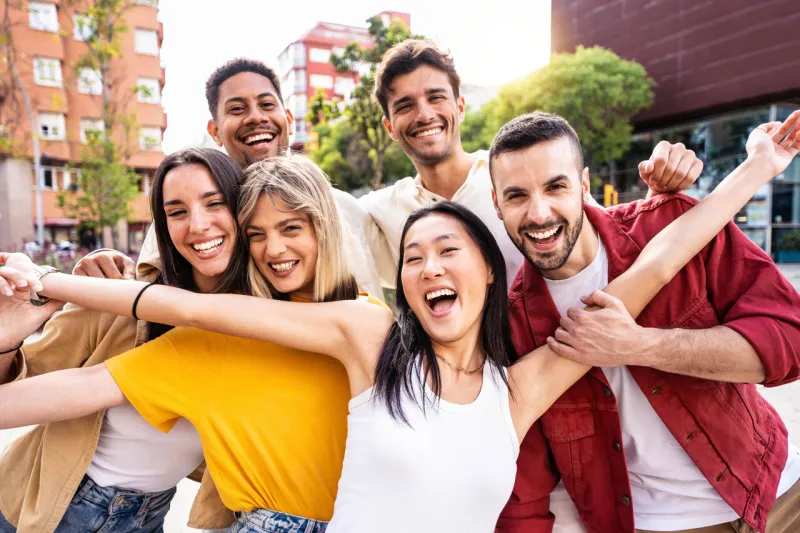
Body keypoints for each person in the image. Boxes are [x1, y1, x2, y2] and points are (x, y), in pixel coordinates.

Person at [0, 113, 795, 533]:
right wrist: (47, 281)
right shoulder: (372, 340)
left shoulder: (521, 388)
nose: (429, 267)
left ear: (491, 269)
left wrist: (758, 166)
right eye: (414, 256)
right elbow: (195, 306)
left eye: (449, 250)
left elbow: (663, 257)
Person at [0, 156, 386, 533]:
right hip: (46, 503)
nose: (273, 249)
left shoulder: (354, 320)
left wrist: (45, 278)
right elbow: (77, 383)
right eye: (257, 234)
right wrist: (30, 294)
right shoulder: (199, 334)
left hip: (151, 513)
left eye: (291, 228)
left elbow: (191, 310)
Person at [493, 112, 800, 533]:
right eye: (516, 196)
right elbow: (525, 484)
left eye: (556, 186)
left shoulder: (668, 221)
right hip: (656, 525)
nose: (539, 213)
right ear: (496, 204)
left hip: (778, 493)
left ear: (584, 184)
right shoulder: (511, 328)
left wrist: (642, 346)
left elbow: (790, 340)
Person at [0, 148, 249, 533]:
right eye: (177, 212)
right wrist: (6, 339)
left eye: (215, 203)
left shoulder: (267, 318)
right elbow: (20, 382)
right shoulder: (116, 297)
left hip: (150, 514)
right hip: (50, 505)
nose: (198, 225)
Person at [358, 39, 704, 289]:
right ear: (389, 126)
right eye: (405, 105)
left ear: (460, 107)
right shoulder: (381, 212)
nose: (424, 114)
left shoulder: (519, 174)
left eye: (436, 97)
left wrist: (657, 197)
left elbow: (611, 243)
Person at [74, 58, 384, 300]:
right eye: (237, 109)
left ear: (288, 120)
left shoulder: (344, 207)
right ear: (215, 131)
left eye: (267, 104)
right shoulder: (193, 217)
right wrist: (108, 264)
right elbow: (149, 284)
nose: (255, 117)